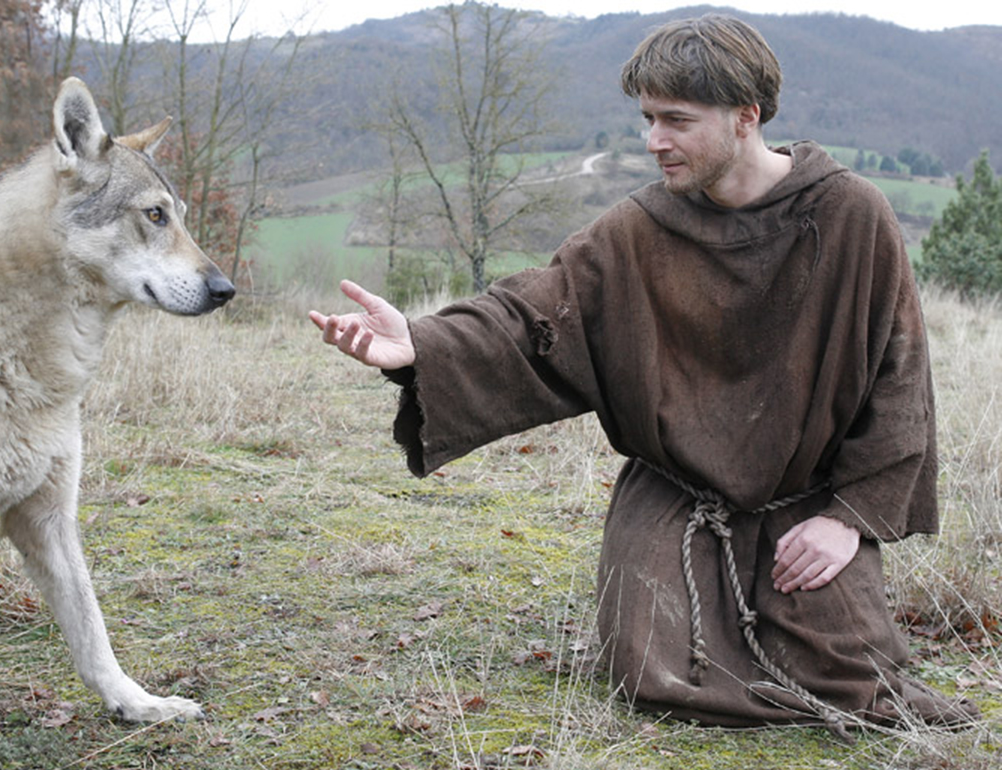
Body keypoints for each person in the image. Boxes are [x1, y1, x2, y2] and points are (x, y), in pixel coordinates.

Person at [308, 14, 976, 733]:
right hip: (676, 498)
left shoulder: (852, 216)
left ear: (746, 116)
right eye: (648, 118)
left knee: (856, 681)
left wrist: (849, 520)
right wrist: (422, 343)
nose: (654, 140)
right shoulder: (637, 229)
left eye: (677, 120)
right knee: (652, 674)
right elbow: (536, 315)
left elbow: (899, 379)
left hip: (807, 502)